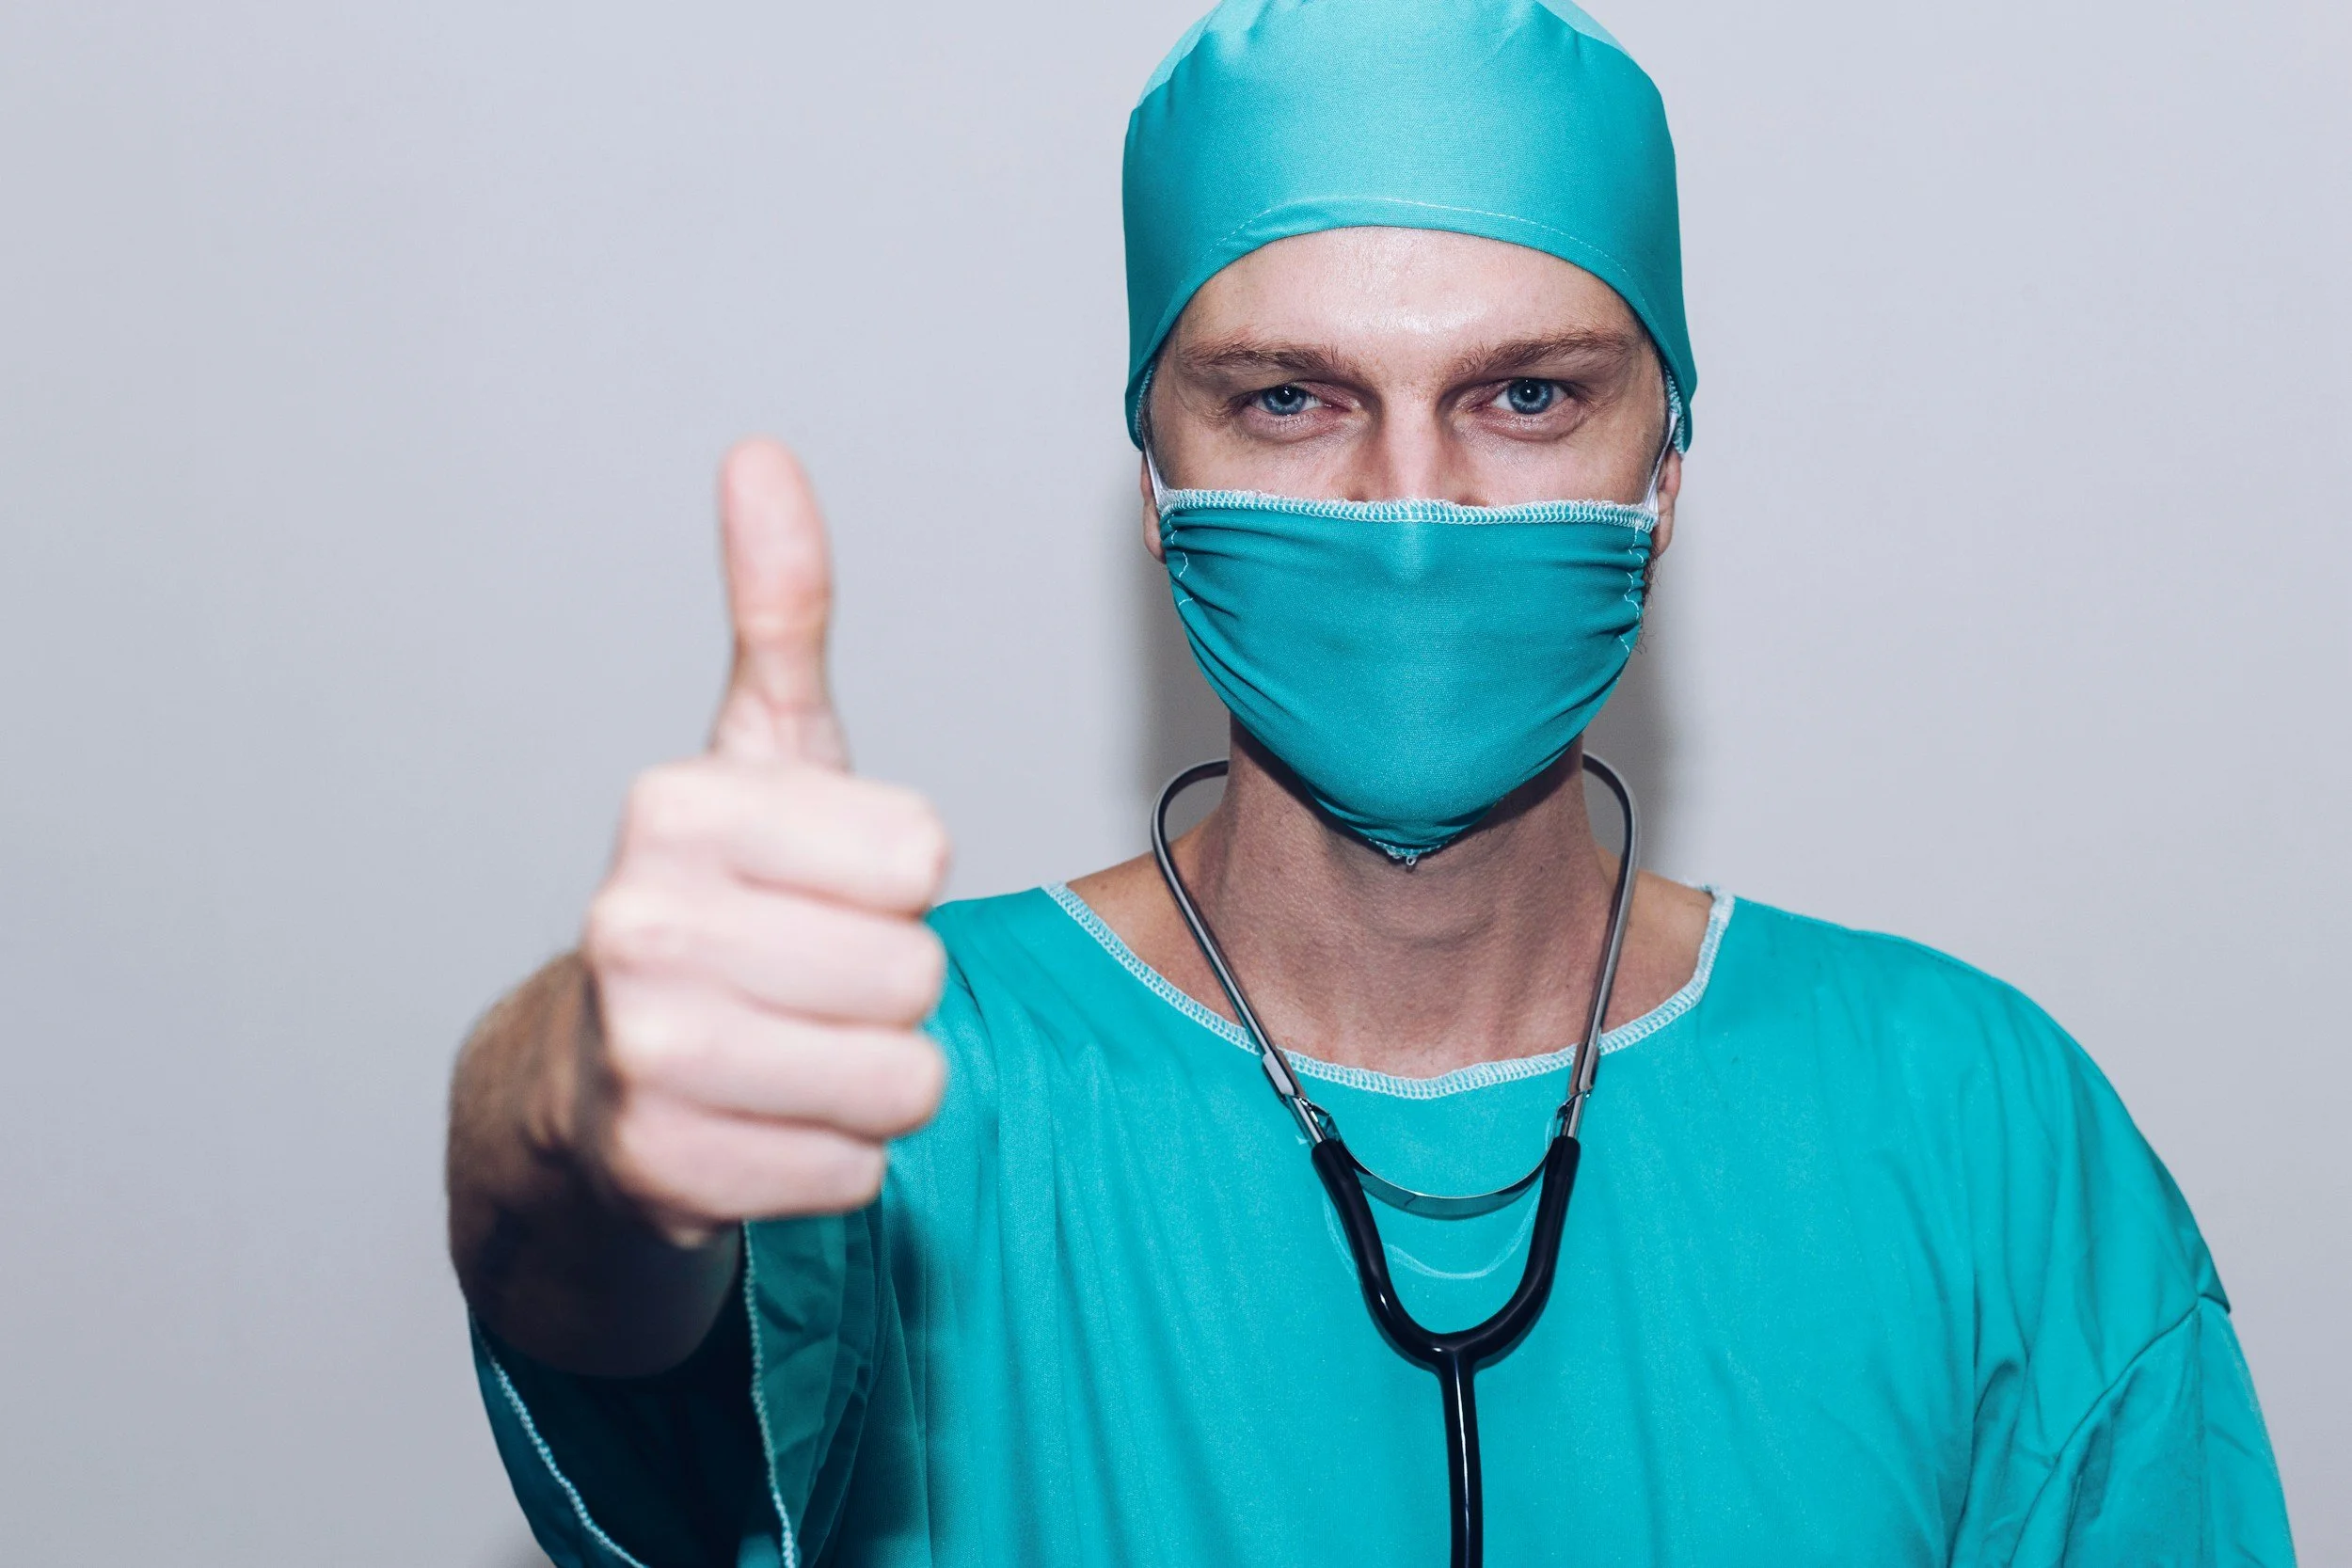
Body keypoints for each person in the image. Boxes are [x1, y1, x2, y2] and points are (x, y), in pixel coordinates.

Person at [445, 1, 2296, 1563]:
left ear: (1664, 465)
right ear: (1154, 472)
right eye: (1289, 400)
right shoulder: (890, 1083)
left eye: (1525, 397)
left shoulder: (1977, 1133)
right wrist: (583, 1094)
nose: (1411, 508)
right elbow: (582, 1277)